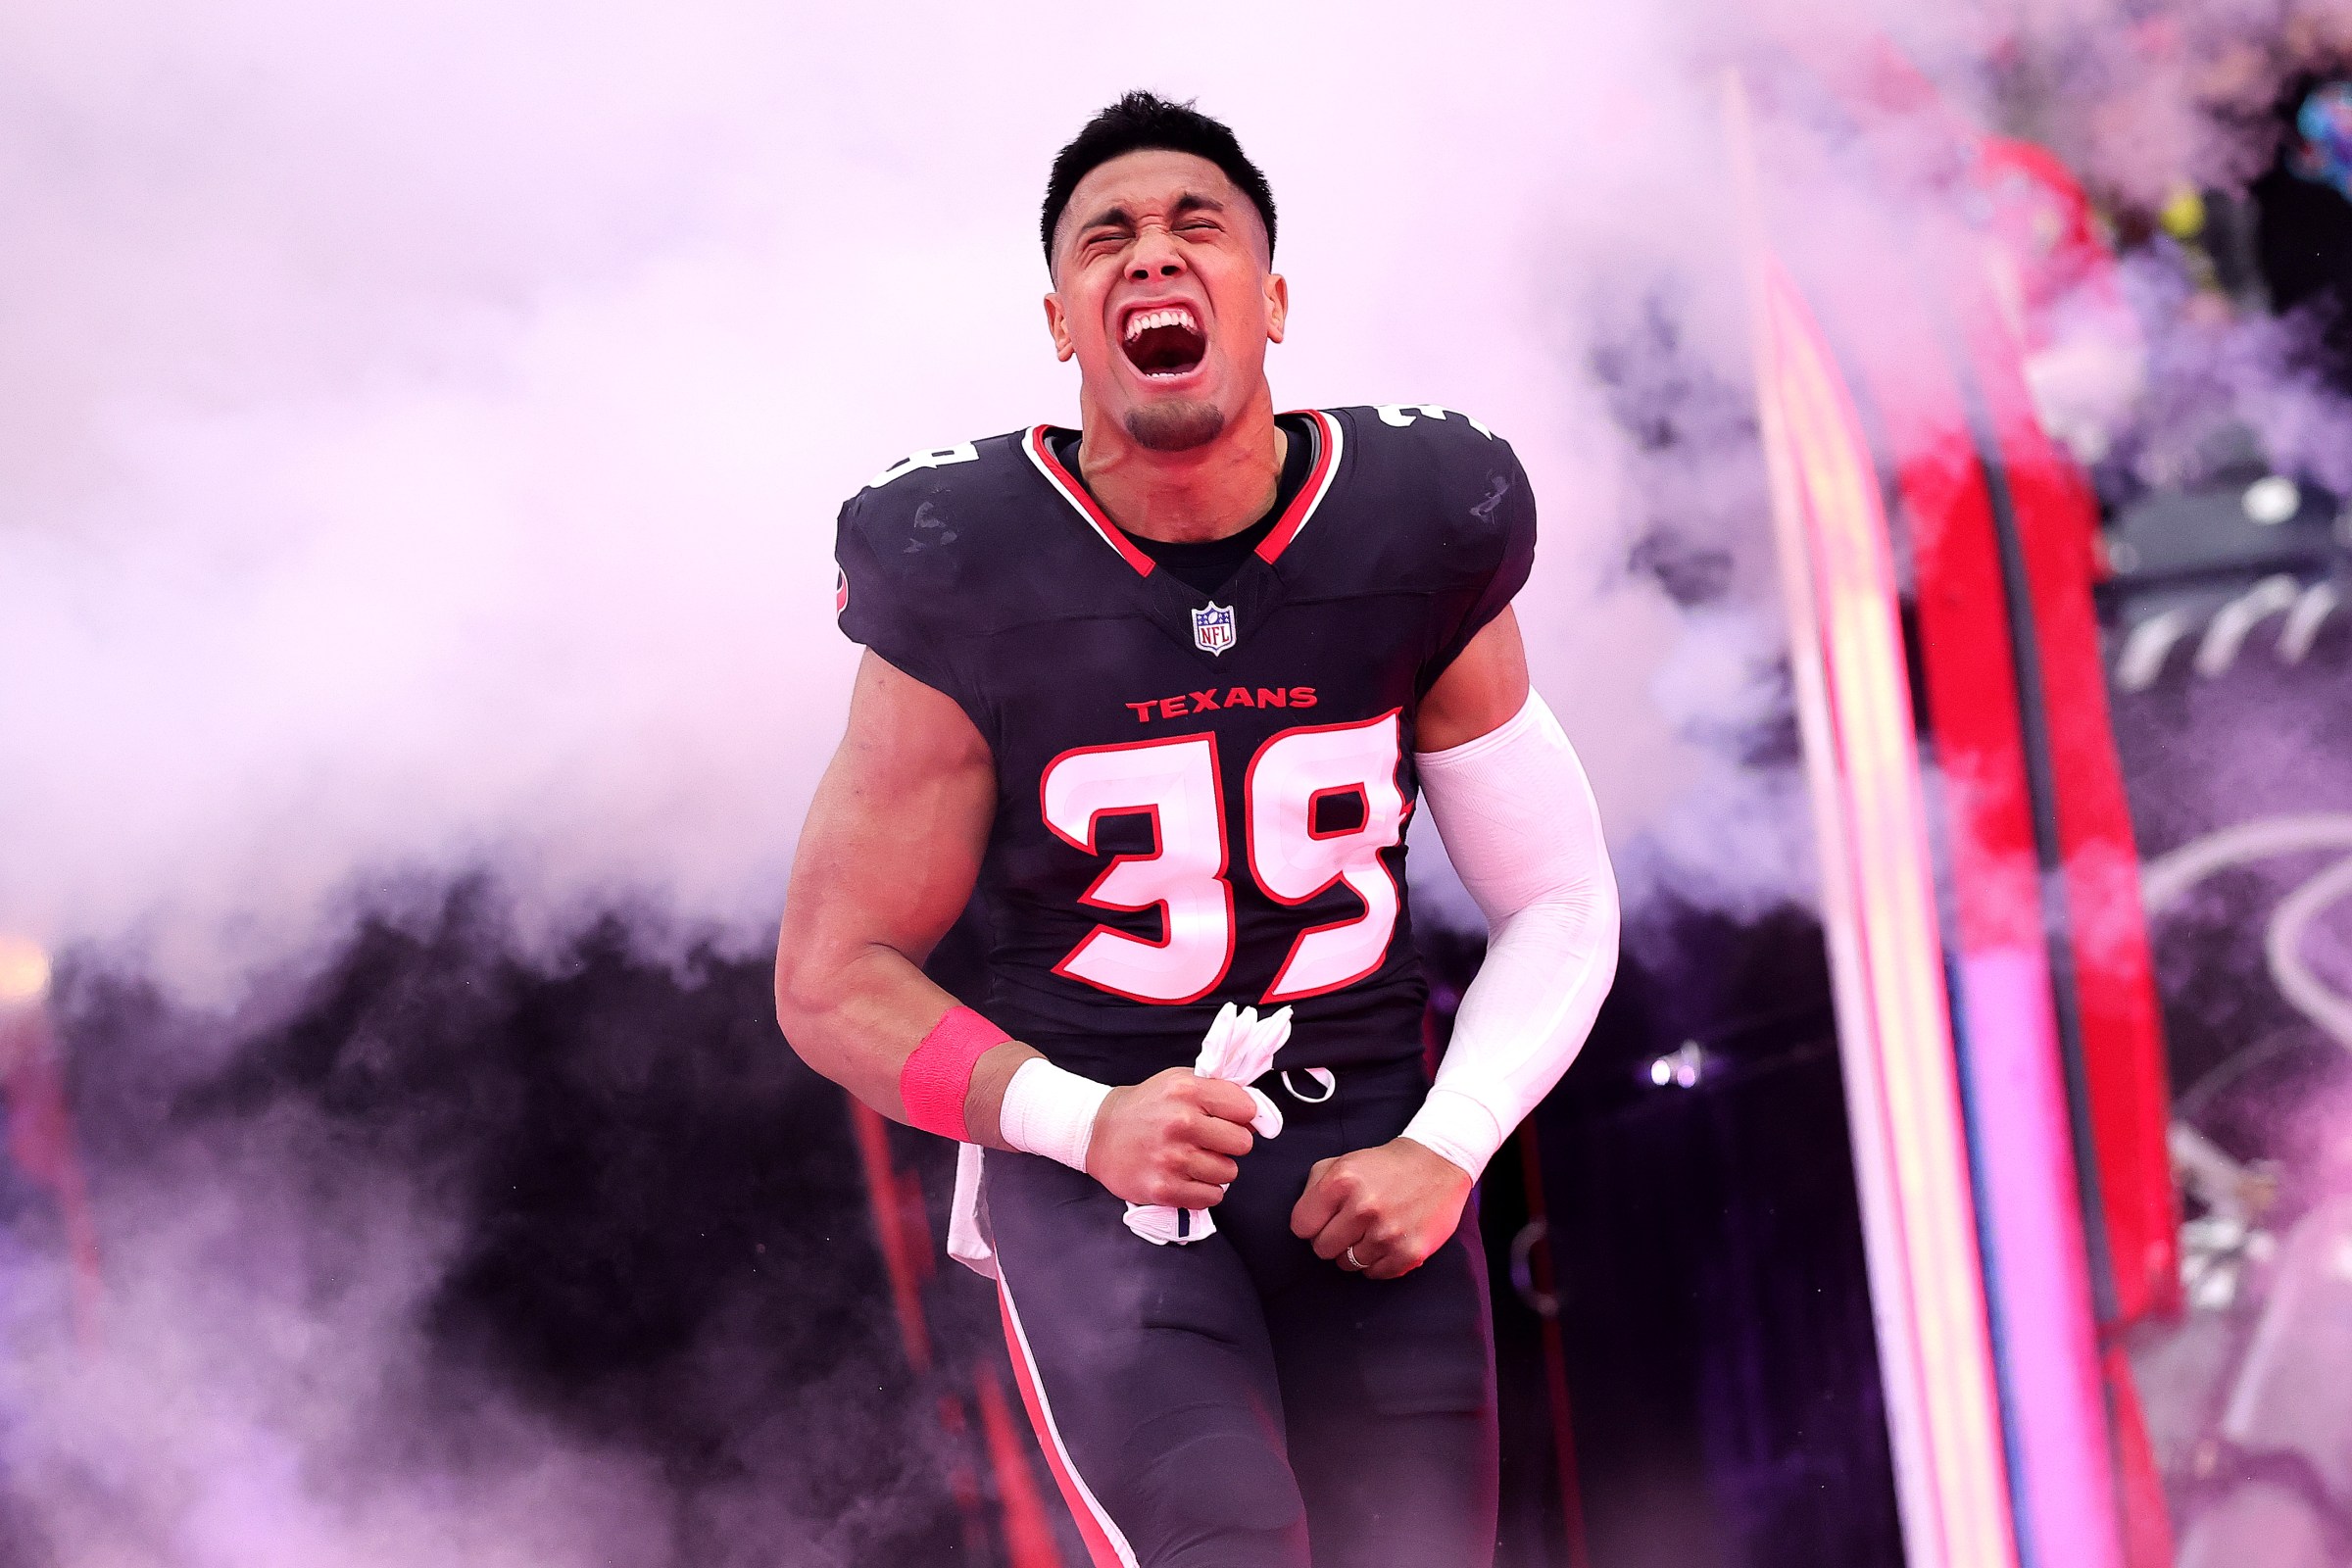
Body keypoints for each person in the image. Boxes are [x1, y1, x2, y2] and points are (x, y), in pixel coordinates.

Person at [775, 91, 1619, 1568]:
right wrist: (1082, 1121)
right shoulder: (967, 563)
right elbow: (830, 978)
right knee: (1224, 1538)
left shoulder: (1418, 521)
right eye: (1106, 238)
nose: (1152, 254)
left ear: (1271, 299)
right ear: (1061, 324)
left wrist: (1449, 1144)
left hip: (1369, 1153)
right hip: (1101, 1177)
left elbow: (1559, 898)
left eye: (1195, 226)